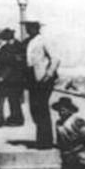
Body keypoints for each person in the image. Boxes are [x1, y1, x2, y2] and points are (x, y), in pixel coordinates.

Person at [24, 20, 59, 148]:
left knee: (41, 108)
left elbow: (55, 58)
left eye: (32, 27)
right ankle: (41, 139)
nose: (29, 29)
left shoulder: (43, 40)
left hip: (43, 79)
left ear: (37, 28)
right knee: (35, 109)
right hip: (32, 79)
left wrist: (48, 74)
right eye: (27, 27)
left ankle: (45, 141)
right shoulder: (29, 41)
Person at [0, 28, 26, 127]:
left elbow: (12, 64)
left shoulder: (12, 47)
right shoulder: (11, 46)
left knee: (2, 99)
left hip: (10, 79)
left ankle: (2, 120)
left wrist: (2, 77)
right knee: (13, 99)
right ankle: (14, 119)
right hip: (11, 79)